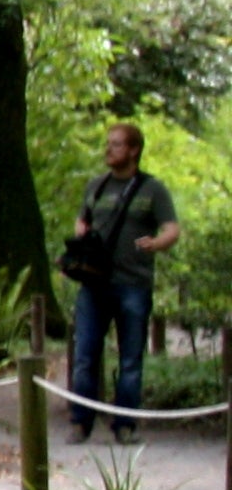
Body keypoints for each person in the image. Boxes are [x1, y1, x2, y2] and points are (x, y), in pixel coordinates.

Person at [64, 120, 181, 443]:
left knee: (130, 359)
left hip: (134, 285)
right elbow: (82, 218)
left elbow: (171, 228)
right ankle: (80, 422)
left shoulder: (152, 190)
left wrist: (157, 243)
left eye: (116, 144)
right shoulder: (96, 187)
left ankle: (125, 425)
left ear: (133, 150)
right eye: (108, 144)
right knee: (85, 355)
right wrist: (81, 234)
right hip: (94, 285)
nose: (108, 150)